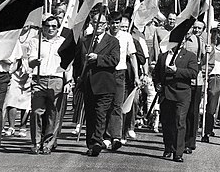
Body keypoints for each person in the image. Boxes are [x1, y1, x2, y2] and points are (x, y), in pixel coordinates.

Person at [27, 14, 72, 155]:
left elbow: (69, 65)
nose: (51, 29)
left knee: (54, 114)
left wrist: (68, 81)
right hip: (39, 79)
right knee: (36, 112)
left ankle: (48, 144)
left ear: (58, 28)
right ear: (43, 27)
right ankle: (36, 142)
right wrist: (36, 62)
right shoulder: (36, 41)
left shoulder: (64, 42)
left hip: (57, 80)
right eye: (48, 26)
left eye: (54, 26)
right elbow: (30, 61)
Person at [79, 14, 120, 157]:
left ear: (106, 24)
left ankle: (97, 141)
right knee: (90, 115)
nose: (99, 25)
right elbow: (79, 62)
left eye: (102, 23)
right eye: (96, 22)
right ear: (91, 23)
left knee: (100, 113)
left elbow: (115, 60)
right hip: (88, 84)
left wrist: (98, 58)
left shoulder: (113, 41)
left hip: (104, 84)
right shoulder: (85, 40)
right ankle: (91, 145)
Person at [153, 43, 198, 163]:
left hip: (182, 93)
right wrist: (157, 84)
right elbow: (156, 73)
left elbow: (193, 73)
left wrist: (177, 70)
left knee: (180, 121)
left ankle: (178, 153)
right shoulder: (163, 56)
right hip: (166, 93)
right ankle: (168, 148)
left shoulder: (190, 56)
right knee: (167, 122)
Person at [104, 11, 139, 150]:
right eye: (112, 23)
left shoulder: (126, 37)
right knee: (106, 106)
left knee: (117, 106)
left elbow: (132, 57)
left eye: (117, 23)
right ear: (109, 23)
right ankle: (105, 136)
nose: (115, 26)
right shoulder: (104, 37)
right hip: (106, 74)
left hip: (120, 73)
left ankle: (116, 136)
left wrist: (136, 75)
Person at [183, 20, 206, 154]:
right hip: (182, 80)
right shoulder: (184, 40)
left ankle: (190, 142)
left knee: (193, 113)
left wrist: (208, 51)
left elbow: (207, 62)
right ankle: (179, 140)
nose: (196, 30)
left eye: (199, 28)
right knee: (181, 112)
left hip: (196, 81)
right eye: (195, 27)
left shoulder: (202, 42)